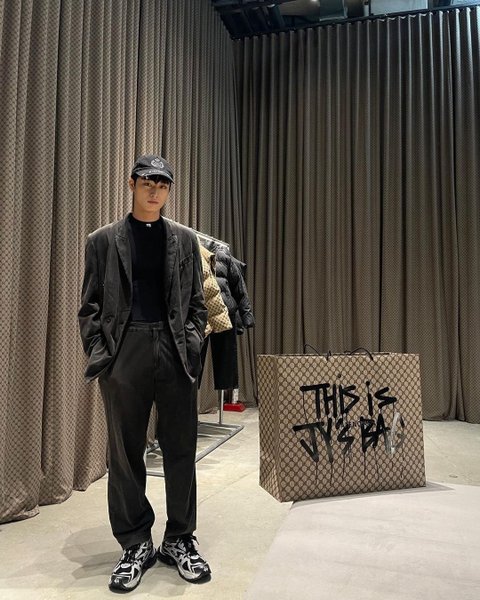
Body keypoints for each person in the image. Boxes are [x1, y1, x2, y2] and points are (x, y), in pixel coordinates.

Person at [78, 154, 211, 592]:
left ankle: (179, 539)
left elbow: (197, 302)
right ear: (132, 184)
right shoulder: (102, 240)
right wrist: (104, 356)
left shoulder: (185, 240)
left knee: (180, 448)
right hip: (125, 350)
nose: (155, 191)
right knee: (125, 451)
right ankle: (135, 542)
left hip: (174, 350)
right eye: (148, 182)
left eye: (163, 184)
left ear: (169, 190)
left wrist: (191, 346)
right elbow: (90, 305)